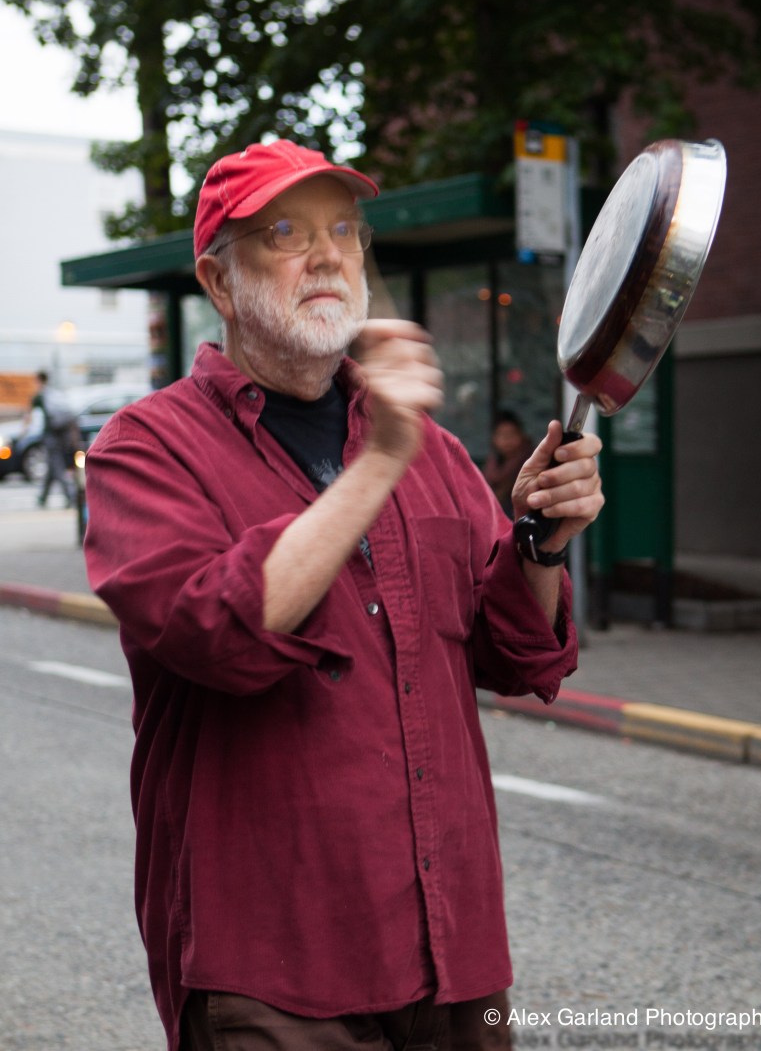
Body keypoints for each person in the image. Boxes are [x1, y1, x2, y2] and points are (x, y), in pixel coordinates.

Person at [83, 139, 604, 1051]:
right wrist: (378, 463)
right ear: (218, 278)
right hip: (275, 968)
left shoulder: (431, 449)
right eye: (286, 232)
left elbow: (513, 653)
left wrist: (539, 539)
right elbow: (219, 630)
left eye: (344, 232)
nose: (327, 255)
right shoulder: (146, 447)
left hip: (452, 948)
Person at [26, 370, 76, 508]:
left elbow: (29, 414)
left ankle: (71, 495)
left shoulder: (40, 396)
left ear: (39, 380)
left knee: (57, 467)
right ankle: (42, 498)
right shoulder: (53, 393)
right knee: (51, 467)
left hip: (50, 437)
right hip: (60, 435)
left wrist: (23, 432)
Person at [482, 410, 535, 518]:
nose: (507, 440)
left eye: (511, 434)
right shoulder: (492, 465)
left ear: (521, 435)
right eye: (502, 435)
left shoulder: (531, 462)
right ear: (494, 439)